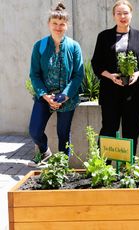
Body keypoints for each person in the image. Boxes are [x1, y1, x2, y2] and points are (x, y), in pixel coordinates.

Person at [91, 0, 139, 157]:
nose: (122, 16)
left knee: (131, 131)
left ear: (131, 15)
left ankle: (128, 169)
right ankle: (104, 168)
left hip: (135, 94)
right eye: (118, 13)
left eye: (126, 13)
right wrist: (110, 76)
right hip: (110, 92)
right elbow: (96, 64)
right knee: (108, 130)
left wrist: (137, 74)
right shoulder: (104, 36)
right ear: (113, 16)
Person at [28, 2, 84, 166]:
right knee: (34, 131)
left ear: (67, 26)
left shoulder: (74, 47)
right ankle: (45, 152)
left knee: (63, 134)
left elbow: (78, 74)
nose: (58, 27)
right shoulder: (40, 46)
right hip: (45, 97)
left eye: (62, 24)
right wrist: (45, 95)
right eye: (55, 23)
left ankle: (62, 166)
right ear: (49, 24)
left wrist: (65, 95)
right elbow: (35, 74)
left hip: (67, 98)